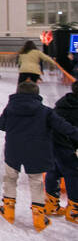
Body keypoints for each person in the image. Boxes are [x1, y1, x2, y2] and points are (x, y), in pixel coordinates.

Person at [0, 81, 78, 231]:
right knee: (36, 181)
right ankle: (39, 215)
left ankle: (8, 209)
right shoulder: (45, 111)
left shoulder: (11, 108)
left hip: (14, 150)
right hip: (36, 152)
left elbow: (0, 125)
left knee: (11, 178)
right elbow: (63, 127)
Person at [48, 81, 78, 223]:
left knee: (54, 170)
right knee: (73, 173)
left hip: (53, 142)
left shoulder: (63, 103)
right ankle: (74, 210)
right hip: (64, 144)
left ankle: (51, 203)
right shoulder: (74, 109)